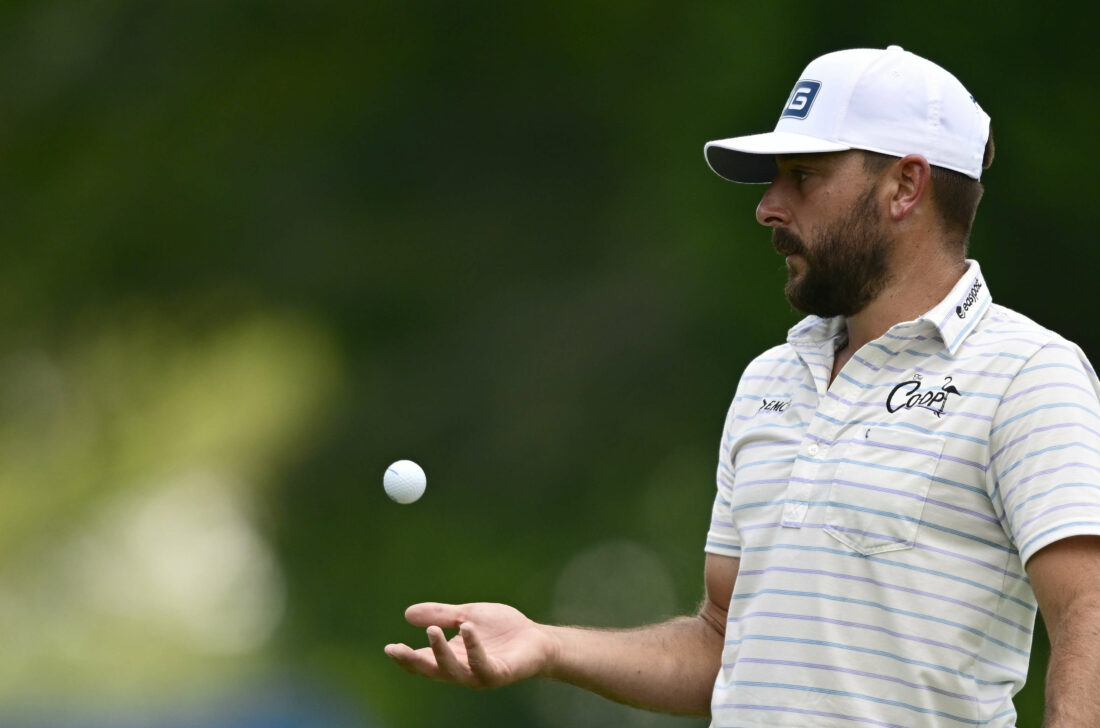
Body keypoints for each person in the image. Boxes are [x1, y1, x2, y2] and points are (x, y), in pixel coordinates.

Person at [385, 46, 1100, 727]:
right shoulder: (771, 379)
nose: (768, 206)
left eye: (804, 176)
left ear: (905, 186)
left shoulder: (1027, 376)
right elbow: (724, 644)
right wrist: (547, 644)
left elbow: (1087, 611)